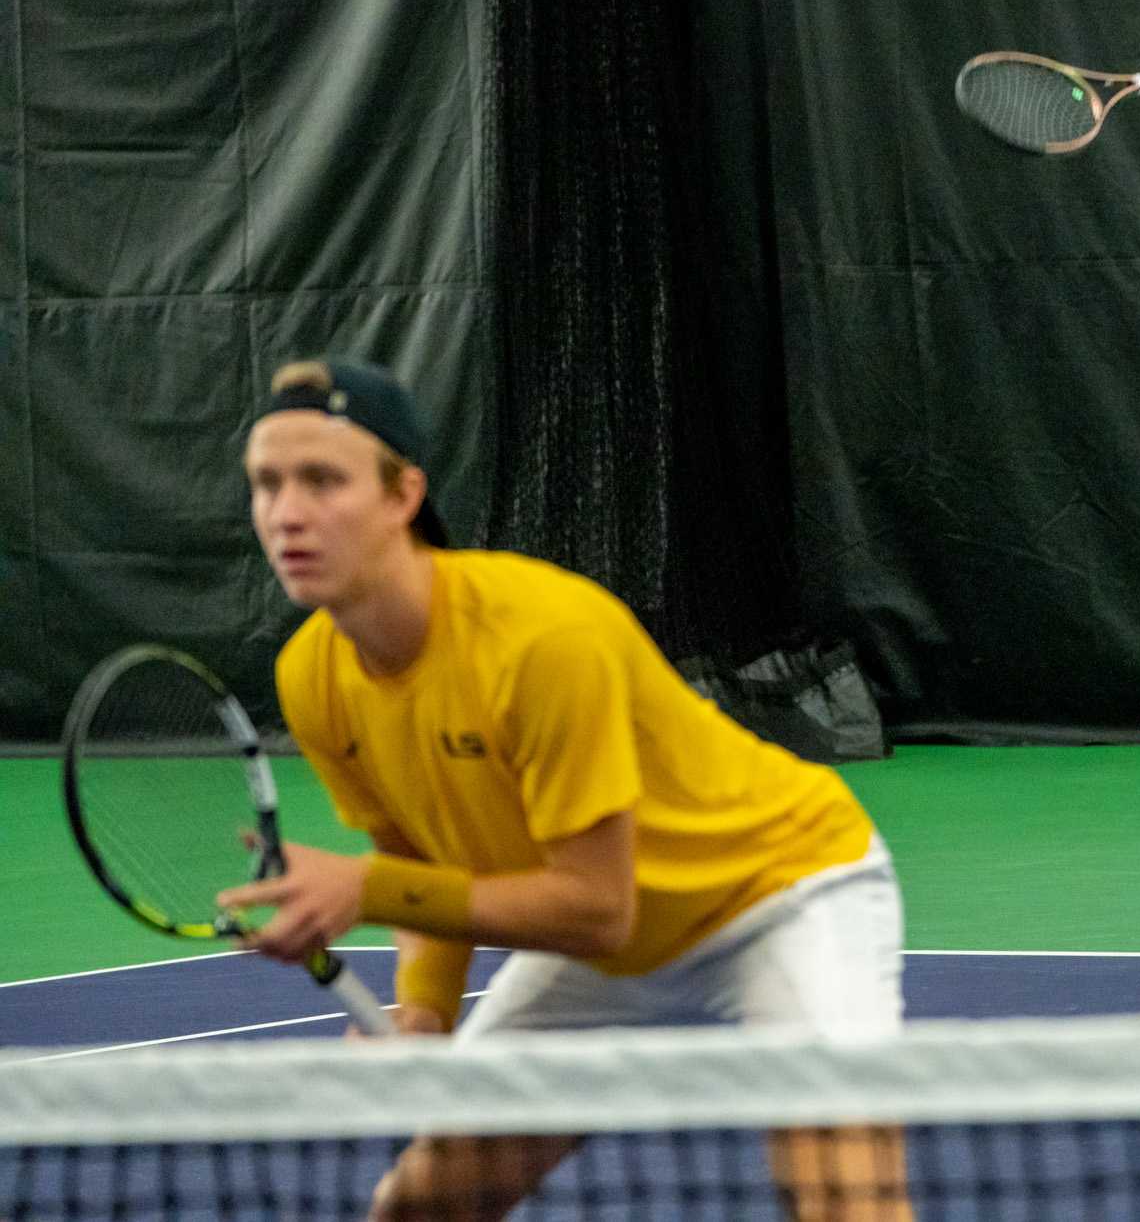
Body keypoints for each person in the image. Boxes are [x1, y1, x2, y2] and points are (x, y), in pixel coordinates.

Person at [220, 358, 910, 1222]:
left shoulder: (541, 639)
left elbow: (594, 907)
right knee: (422, 1205)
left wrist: (360, 890)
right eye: (266, 483)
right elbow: (414, 854)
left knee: (847, 1196)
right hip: (608, 952)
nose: (286, 513)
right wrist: (425, 1011)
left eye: (323, 480)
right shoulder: (311, 676)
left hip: (778, 886)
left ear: (403, 495)